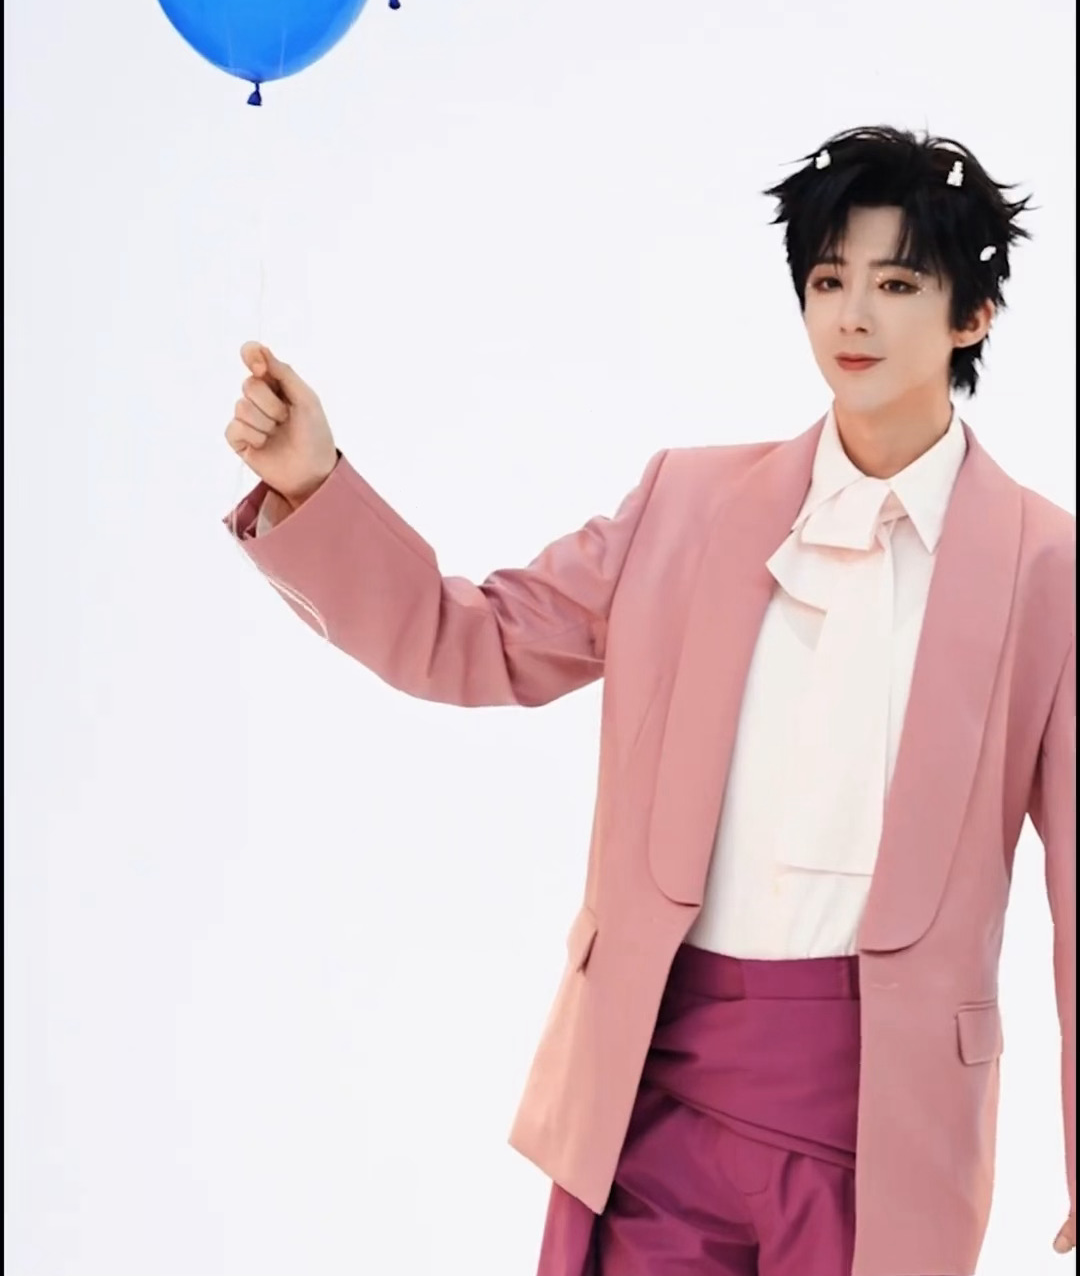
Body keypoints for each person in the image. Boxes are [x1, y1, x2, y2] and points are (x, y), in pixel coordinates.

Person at [224, 125, 1075, 1276]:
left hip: (883, 1120)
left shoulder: (1043, 568)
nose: (853, 317)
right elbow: (470, 640)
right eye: (829, 280)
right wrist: (315, 485)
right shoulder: (688, 503)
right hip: (654, 1094)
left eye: (897, 284)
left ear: (972, 315)